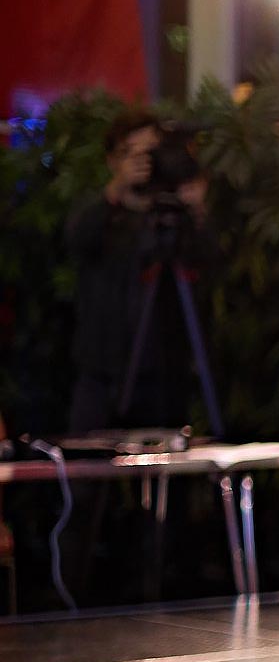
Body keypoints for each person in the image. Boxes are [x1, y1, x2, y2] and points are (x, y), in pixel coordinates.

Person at [65, 109, 213, 432]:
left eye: (151, 153)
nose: (143, 163)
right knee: (88, 474)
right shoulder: (102, 213)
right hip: (101, 375)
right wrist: (117, 190)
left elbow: (209, 265)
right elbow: (75, 239)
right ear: (112, 161)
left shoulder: (174, 222)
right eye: (131, 154)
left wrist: (199, 211)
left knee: (161, 478)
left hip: (160, 379)